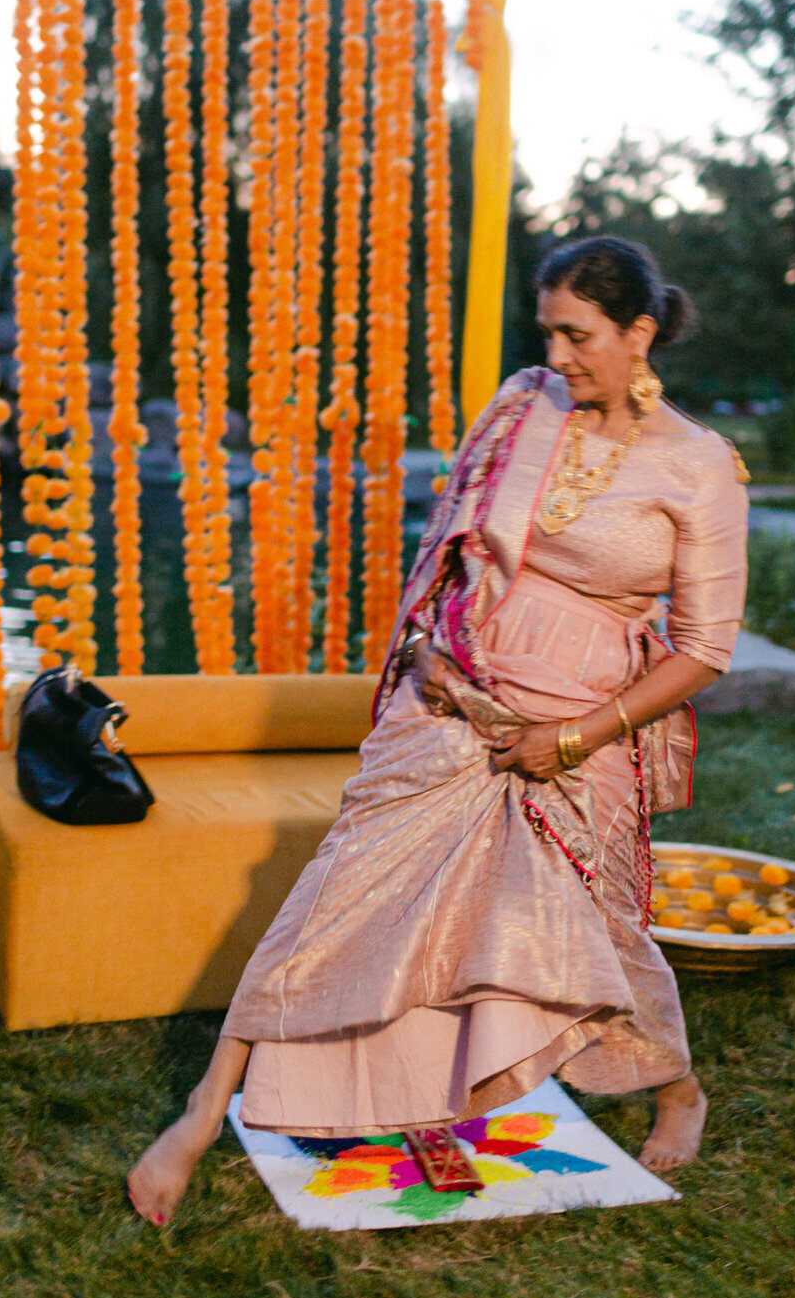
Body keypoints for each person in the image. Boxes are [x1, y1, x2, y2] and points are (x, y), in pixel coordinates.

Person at [127, 237, 749, 1225]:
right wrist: (433, 659)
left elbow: (705, 651)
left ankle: (679, 1090)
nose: (558, 353)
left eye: (578, 334)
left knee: (598, 943)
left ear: (639, 333)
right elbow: (450, 552)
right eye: (547, 330)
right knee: (328, 904)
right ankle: (201, 1120)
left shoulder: (699, 465)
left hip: (574, 744)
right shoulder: (522, 408)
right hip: (449, 707)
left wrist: (574, 739)